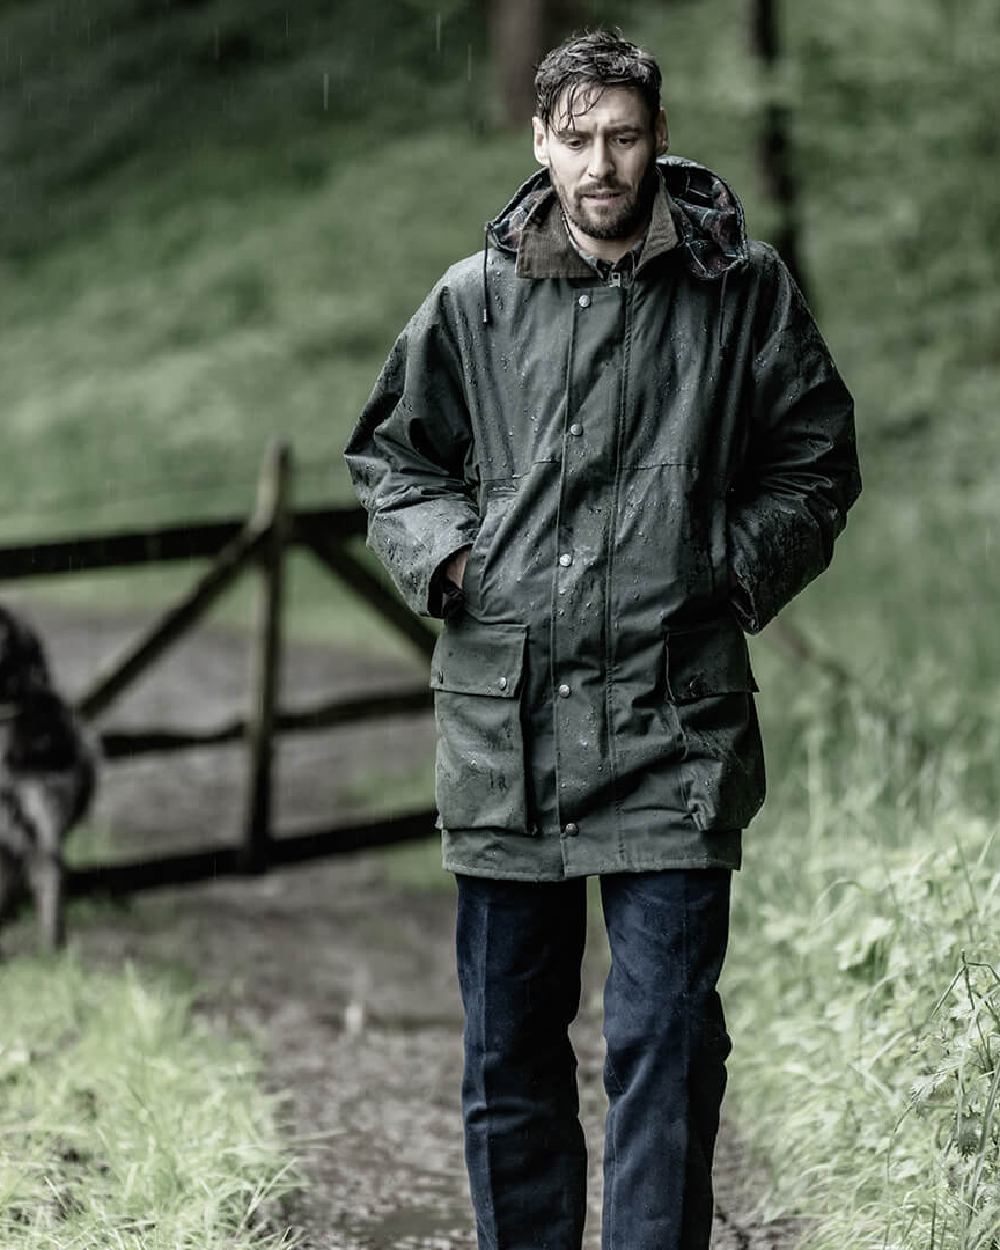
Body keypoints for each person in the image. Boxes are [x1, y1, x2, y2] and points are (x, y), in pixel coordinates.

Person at [345, 27, 860, 1250]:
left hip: (673, 723)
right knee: (511, 1045)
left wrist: (728, 568)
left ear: (659, 137)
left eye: (622, 136)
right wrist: (459, 559)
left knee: (666, 1037)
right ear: (539, 142)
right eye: (574, 139)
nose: (599, 165)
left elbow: (816, 458)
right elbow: (390, 459)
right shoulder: (472, 302)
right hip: (506, 726)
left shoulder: (744, 292)